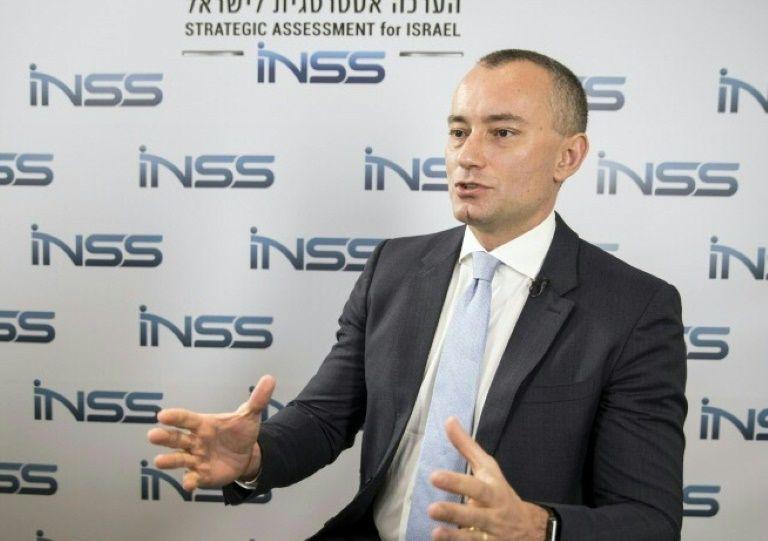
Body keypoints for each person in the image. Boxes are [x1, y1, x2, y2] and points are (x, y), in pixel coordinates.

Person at [147, 49, 687, 541]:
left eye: (502, 133)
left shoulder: (634, 310)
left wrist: (537, 528)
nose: (468, 156)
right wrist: (254, 456)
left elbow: (648, 520)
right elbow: (325, 418)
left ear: (568, 156)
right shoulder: (395, 268)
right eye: (458, 131)